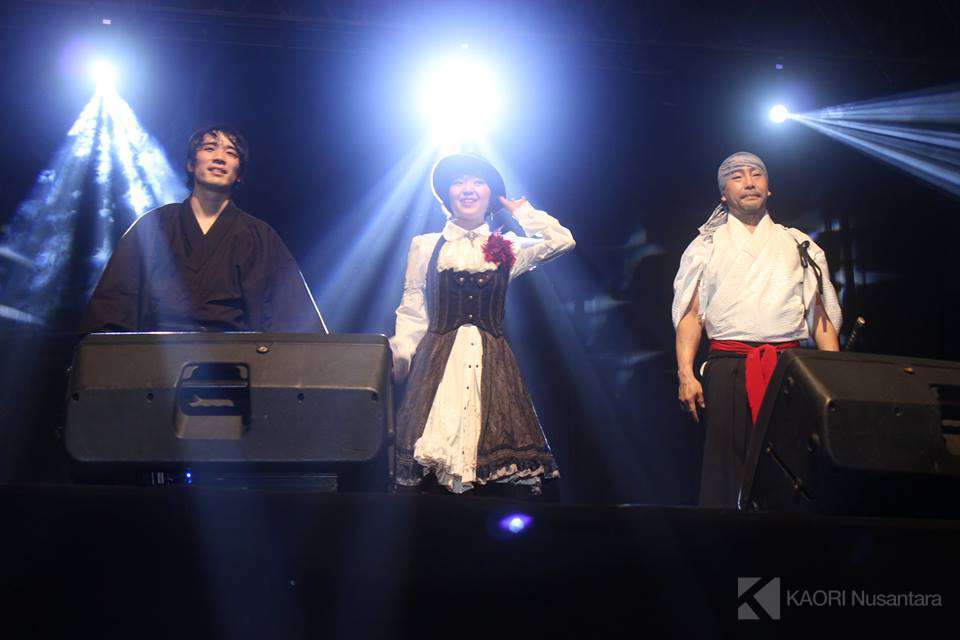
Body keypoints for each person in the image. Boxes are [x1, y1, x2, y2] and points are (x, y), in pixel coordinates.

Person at [391, 153, 575, 495]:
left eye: (478, 182)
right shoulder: (425, 245)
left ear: (491, 194)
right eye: (459, 182)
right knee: (431, 477)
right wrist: (402, 352)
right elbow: (413, 306)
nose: (468, 189)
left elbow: (562, 241)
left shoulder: (507, 246)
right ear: (447, 193)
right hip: (437, 362)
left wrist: (522, 212)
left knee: (492, 475)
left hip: (492, 361)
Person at [672, 151, 842, 508]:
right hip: (728, 366)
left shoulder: (799, 243)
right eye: (737, 177)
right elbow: (691, 315)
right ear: (723, 194)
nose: (749, 182)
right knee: (726, 466)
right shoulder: (706, 246)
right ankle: (726, 540)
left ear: (769, 187)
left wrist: (835, 379)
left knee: (792, 465)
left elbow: (820, 316)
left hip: (790, 368)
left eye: (757, 175)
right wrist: (686, 373)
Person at [80, 125, 327, 334]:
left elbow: (292, 314)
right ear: (191, 164)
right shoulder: (154, 226)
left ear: (239, 173)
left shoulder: (260, 236)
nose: (219, 158)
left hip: (235, 363)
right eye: (209, 148)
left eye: (230, 153)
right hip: (154, 359)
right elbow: (113, 305)